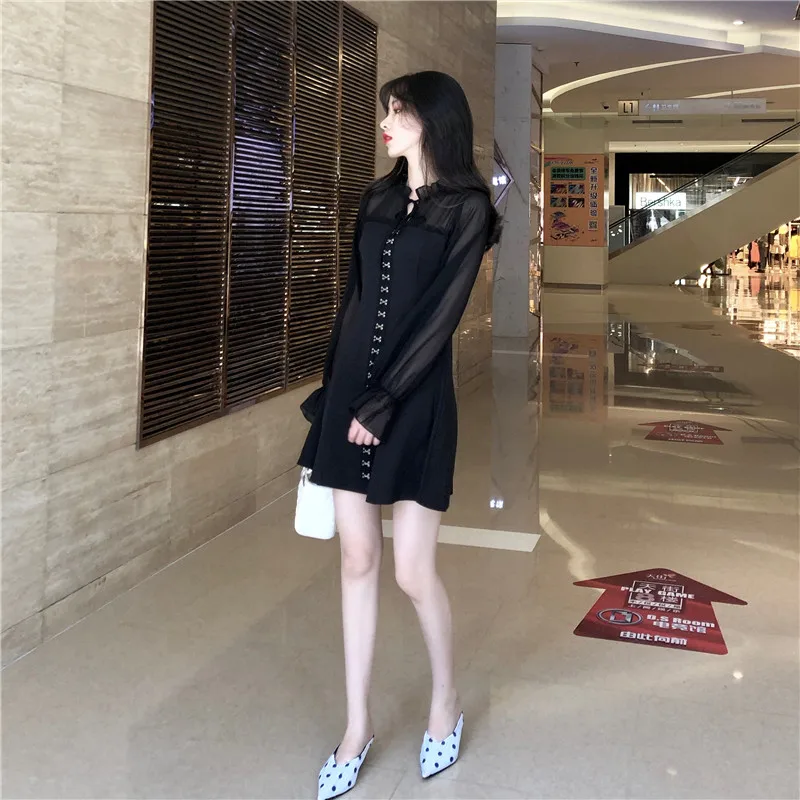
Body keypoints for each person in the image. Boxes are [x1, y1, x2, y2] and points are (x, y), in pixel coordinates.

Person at [297, 71, 501, 800]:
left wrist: (384, 400)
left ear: (435, 120)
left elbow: (441, 318)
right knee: (357, 559)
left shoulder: (467, 209)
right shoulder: (376, 198)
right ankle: (357, 727)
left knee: (412, 570)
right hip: (351, 393)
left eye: (400, 110)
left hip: (414, 401)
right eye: (387, 109)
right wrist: (332, 394)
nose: (386, 120)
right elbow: (353, 302)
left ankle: (446, 700)